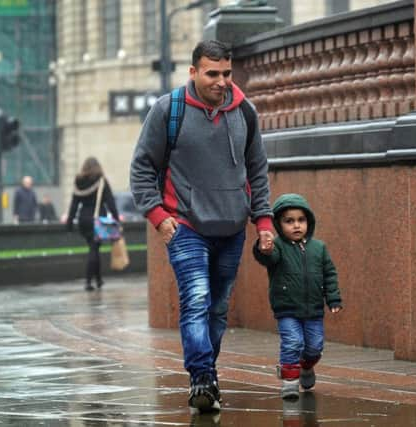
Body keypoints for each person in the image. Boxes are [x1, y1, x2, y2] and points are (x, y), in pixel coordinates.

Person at [130, 40, 274, 413]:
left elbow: (257, 171)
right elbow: (142, 167)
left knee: (217, 309)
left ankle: (206, 373)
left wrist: (263, 221)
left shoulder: (245, 112)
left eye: (227, 73)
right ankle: (201, 378)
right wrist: (160, 219)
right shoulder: (169, 110)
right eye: (212, 73)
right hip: (186, 226)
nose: (222, 81)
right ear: (193, 72)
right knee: (196, 300)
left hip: (231, 229)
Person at [253, 193, 342, 399]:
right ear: (278, 224)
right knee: (292, 342)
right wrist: (263, 247)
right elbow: (267, 257)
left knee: (314, 346)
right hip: (287, 308)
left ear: (308, 222)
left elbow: (329, 273)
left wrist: (333, 298)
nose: (296, 226)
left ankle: (306, 366)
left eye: (301, 220)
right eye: (289, 221)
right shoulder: (278, 247)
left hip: (314, 308)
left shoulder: (318, 248)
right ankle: (290, 381)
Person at [66, 157, 119, 291]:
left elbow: (74, 203)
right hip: (97, 219)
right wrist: (116, 219)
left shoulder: (78, 181)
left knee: (94, 248)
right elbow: (110, 202)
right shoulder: (101, 181)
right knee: (94, 249)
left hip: (83, 219)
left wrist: (69, 222)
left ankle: (99, 280)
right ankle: (88, 282)